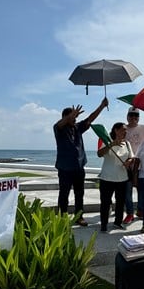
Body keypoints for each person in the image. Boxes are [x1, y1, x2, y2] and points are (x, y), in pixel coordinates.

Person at [54, 97, 109, 226]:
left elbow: (90, 118)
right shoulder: (59, 129)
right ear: (65, 117)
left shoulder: (77, 128)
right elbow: (60, 124)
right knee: (64, 195)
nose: (75, 119)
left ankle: (79, 217)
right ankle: (62, 217)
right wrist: (69, 117)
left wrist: (101, 106)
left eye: (75, 117)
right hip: (64, 168)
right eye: (72, 117)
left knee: (79, 194)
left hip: (79, 168)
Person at [97, 122, 134, 232]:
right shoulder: (107, 141)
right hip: (107, 178)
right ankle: (104, 224)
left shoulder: (127, 143)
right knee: (105, 202)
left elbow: (131, 157)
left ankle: (118, 222)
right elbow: (99, 154)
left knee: (120, 202)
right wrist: (112, 144)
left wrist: (129, 162)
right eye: (123, 129)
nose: (125, 132)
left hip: (122, 178)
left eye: (126, 130)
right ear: (116, 130)